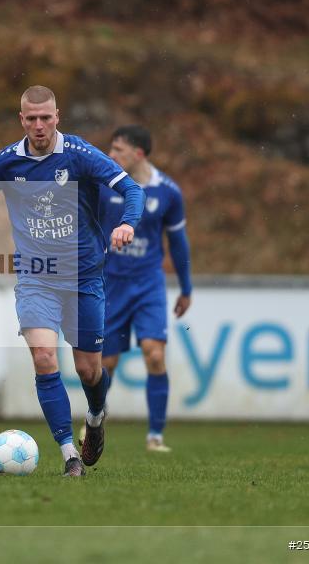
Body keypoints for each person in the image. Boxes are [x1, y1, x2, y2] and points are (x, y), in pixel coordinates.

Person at [0, 86, 145, 476]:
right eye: (31, 119)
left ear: (58, 116)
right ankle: (70, 454)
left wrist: (127, 223)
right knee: (43, 356)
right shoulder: (6, 162)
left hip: (84, 276)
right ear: (21, 119)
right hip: (36, 276)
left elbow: (131, 189)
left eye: (46, 118)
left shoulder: (80, 155)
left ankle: (94, 417)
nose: (39, 125)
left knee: (89, 369)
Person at [97, 125, 192, 452]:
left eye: (118, 150)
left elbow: (178, 243)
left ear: (138, 154)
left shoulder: (167, 192)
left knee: (154, 354)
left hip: (149, 283)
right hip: (111, 282)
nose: (111, 155)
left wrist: (186, 287)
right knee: (105, 364)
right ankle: (94, 422)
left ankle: (155, 436)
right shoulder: (103, 186)